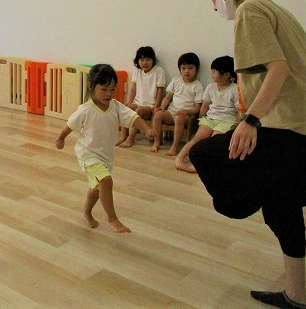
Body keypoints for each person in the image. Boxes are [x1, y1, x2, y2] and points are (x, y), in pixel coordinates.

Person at [189, 0, 306, 309]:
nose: (213, 6)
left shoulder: (249, 11)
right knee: (283, 206)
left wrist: (250, 121)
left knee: (204, 153)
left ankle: (244, 201)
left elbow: (278, 70)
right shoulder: (273, 8)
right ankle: (296, 296)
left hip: (298, 124)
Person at [55, 64, 155, 233]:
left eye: (112, 89)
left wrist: (147, 129)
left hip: (105, 156)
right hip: (88, 154)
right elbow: (70, 125)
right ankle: (112, 219)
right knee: (106, 181)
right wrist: (61, 138)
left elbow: (133, 117)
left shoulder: (115, 107)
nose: (109, 93)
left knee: (97, 188)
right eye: (104, 89)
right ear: (91, 87)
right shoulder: (86, 110)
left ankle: (86, 211)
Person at [174, 56, 240, 173]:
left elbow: (238, 110)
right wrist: (200, 120)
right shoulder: (210, 87)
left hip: (227, 121)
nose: (212, 74)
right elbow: (204, 106)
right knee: (197, 138)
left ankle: (203, 166)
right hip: (210, 119)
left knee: (215, 141)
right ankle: (179, 158)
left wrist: (238, 126)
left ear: (226, 75)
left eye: (214, 72)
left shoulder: (235, 89)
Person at [150, 53, 204, 154]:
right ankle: (157, 142)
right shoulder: (176, 81)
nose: (186, 71)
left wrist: (185, 111)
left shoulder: (198, 86)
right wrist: (162, 107)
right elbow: (167, 97)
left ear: (197, 69)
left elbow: (197, 108)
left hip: (186, 116)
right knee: (157, 115)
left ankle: (175, 146)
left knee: (179, 117)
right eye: (183, 68)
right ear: (179, 69)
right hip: (171, 112)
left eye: (190, 68)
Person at [117, 46, 165, 148]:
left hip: (150, 107)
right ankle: (123, 136)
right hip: (138, 103)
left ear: (153, 60)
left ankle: (131, 139)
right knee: (125, 108)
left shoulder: (159, 71)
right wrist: (130, 102)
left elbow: (160, 91)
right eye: (142, 60)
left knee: (139, 111)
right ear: (138, 61)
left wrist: (156, 107)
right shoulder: (137, 71)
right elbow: (133, 89)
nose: (145, 62)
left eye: (148, 59)